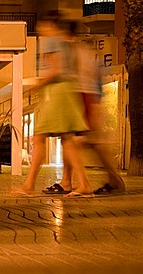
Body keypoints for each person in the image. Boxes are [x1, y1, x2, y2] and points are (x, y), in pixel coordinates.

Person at [12, 11, 93, 197]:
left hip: (57, 92)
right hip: (68, 90)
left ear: (49, 24)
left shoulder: (50, 40)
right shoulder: (67, 43)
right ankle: (82, 184)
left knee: (41, 138)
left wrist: (39, 83)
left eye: (41, 24)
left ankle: (29, 185)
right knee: (66, 139)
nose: (39, 28)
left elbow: (56, 69)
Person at [42, 21, 125, 195]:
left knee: (89, 141)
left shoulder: (79, 51)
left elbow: (92, 81)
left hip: (85, 98)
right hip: (79, 98)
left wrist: (93, 106)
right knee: (71, 139)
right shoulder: (70, 50)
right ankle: (69, 181)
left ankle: (113, 180)